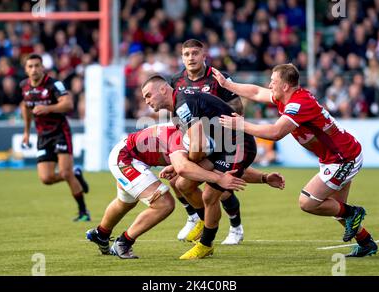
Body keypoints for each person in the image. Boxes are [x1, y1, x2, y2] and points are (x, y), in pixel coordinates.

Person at [213, 64, 378, 257]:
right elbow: (257, 92)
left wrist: (241, 125)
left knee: (308, 202)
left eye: (273, 82)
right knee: (336, 208)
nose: (270, 85)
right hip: (334, 157)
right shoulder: (287, 98)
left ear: (285, 86)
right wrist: (227, 84)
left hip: (344, 158)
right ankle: (366, 243)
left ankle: (353, 213)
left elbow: (275, 133)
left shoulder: (298, 104)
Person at [85, 123, 249, 259]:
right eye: (198, 156)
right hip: (126, 159)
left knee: (125, 202)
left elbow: (227, 168)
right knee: (164, 204)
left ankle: (101, 234)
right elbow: (185, 167)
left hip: (127, 153)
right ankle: (123, 243)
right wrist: (218, 179)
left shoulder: (193, 139)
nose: (199, 158)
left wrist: (264, 177)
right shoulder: (180, 142)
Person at [141, 74, 258, 259]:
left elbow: (197, 146)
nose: (147, 101)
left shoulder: (183, 105)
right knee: (182, 184)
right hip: (220, 147)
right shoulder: (176, 111)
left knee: (210, 195)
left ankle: (206, 244)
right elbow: (197, 147)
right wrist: (179, 163)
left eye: (148, 95)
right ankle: (205, 222)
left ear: (163, 89)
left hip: (238, 145)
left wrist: (183, 163)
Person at [170, 39, 247, 245]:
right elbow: (174, 113)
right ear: (182, 57)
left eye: (195, 53)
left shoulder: (218, 78)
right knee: (178, 182)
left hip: (222, 142)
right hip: (194, 142)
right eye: (186, 54)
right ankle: (194, 218)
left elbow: (237, 109)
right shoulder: (176, 81)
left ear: (204, 56)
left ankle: (236, 228)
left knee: (220, 190)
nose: (191, 58)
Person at [20, 53, 90, 221]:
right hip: (43, 136)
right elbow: (26, 107)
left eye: (37, 65)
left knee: (65, 173)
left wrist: (47, 109)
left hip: (60, 133)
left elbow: (68, 104)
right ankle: (76, 173)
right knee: (46, 178)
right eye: (30, 66)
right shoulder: (24, 86)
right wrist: (27, 132)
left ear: (43, 67)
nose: (34, 69)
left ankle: (83, 212)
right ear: (26, 69)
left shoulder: (54, 84)